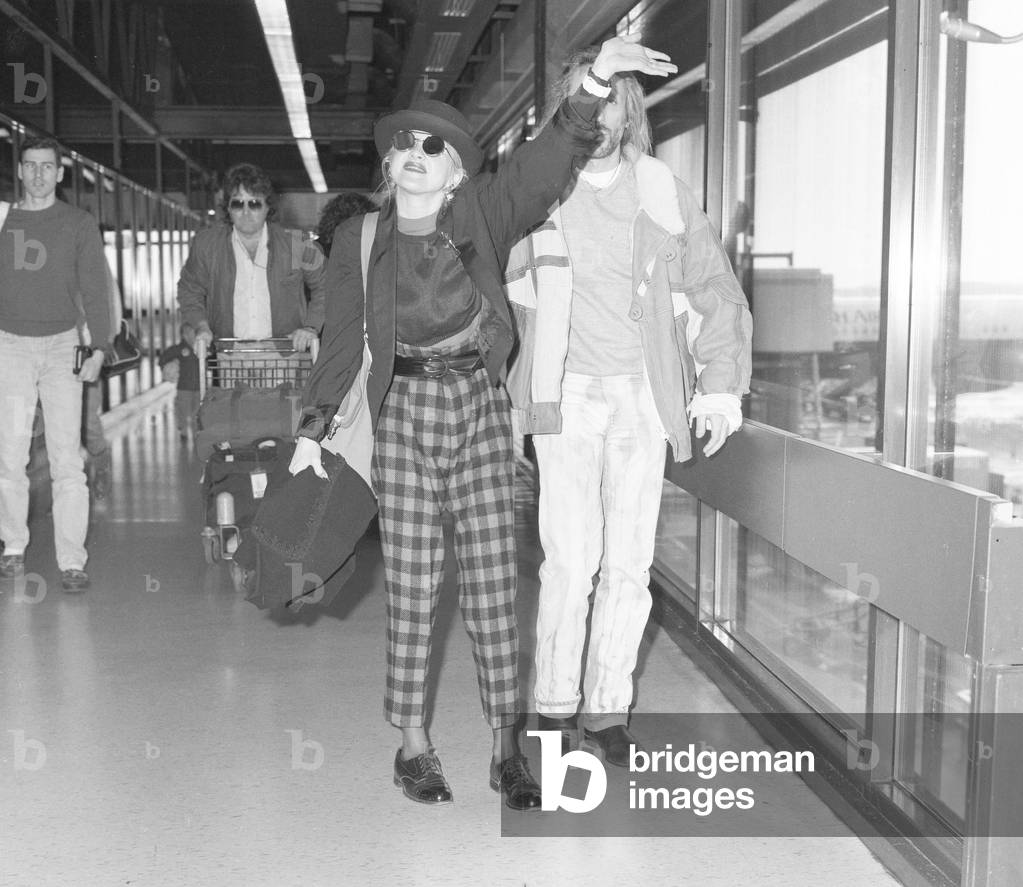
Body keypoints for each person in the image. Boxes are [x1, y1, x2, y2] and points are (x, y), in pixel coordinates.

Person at [289, 35, 677, 808]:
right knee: (413, 584)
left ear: (456, 169)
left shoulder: (482, 214)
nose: (413, 153)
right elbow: (339, 342)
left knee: (496, 583)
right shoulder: (358, 241)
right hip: (402, 414)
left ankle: (508, 747)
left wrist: (597, 76)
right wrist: (311, 428)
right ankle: (414, 747)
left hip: (476, 407)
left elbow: (543, 162)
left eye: (431, 146)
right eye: (402, 143)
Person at [504, 47, 753, 766]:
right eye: (593, 100)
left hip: (643, 394)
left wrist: (719, 384)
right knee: (567, 561)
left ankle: (607, 709)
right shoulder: (538, 190)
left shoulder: (660, 189)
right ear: (571, 106)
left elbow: (714, 290)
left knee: (627, 564)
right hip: (565, 392)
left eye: (618, 101)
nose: (606, 116)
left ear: (631, 112)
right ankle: (553, 707)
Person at [0, 136, 111, 592]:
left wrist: (99, 346)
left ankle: (71, 560)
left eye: (48, 167)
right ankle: (11, 546)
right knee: (9, 455)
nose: (39, 175)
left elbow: (94, 288)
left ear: (60, 174)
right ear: (20, 172)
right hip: (9, 346)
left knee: (68, 459)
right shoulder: (3, 220)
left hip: (64, 346)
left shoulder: (79, 224)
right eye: (31, 166)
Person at [177, 162, 327, 353]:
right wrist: (201, 325)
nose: (246, 212)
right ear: (228, 209)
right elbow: (189, 289)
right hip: (230, 355)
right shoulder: (206, 245)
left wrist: (311, 327)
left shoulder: (298, 243)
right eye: (238, 203)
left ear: (267, 207)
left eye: (254, 203)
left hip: (284, 355)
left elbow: (326, 285)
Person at [159, 323, 202, 442]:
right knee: (183, 409)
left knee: (197, 411)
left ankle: (196, 431)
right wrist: (166, 367)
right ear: (184, 335)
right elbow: (163, 357)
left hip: (199, 387)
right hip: (184, 387)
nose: (193, 335)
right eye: (190, 332)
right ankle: (183, 429)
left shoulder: (201, 348)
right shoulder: (179, 349)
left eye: (194, 332)